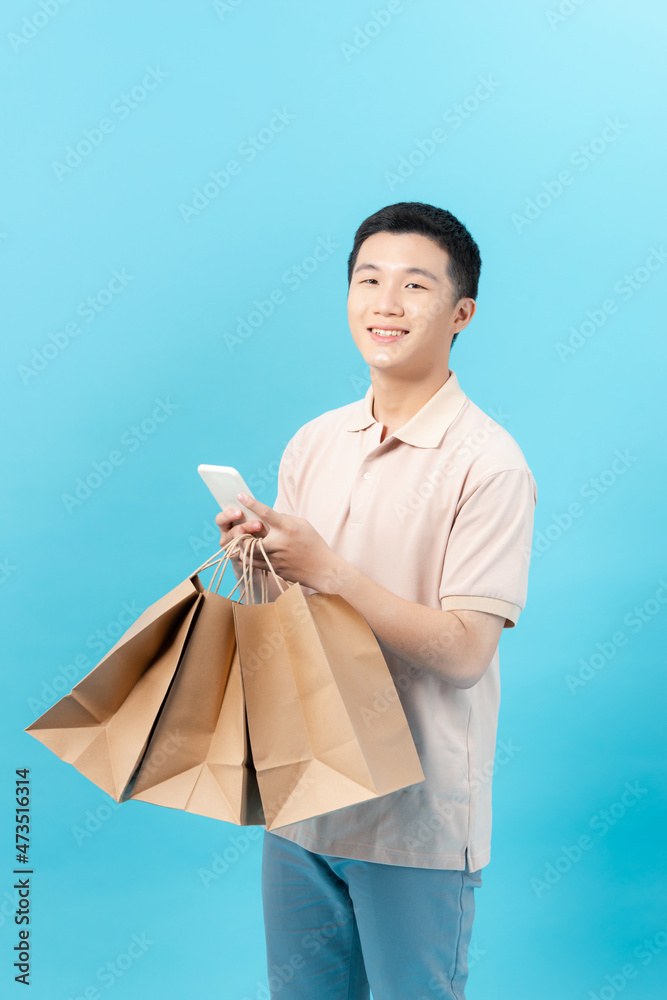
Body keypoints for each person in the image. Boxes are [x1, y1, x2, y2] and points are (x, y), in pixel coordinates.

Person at [216, 201, 538, 1000]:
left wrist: (327, 569)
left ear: (460, 313)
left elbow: (465, 653)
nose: (384, 304)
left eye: (414, 286)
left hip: (414, 823)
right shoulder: (315, 441)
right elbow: (292, 621)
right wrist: (260, 562)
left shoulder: (489, 466)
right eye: (368, 280)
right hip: (303, 801)